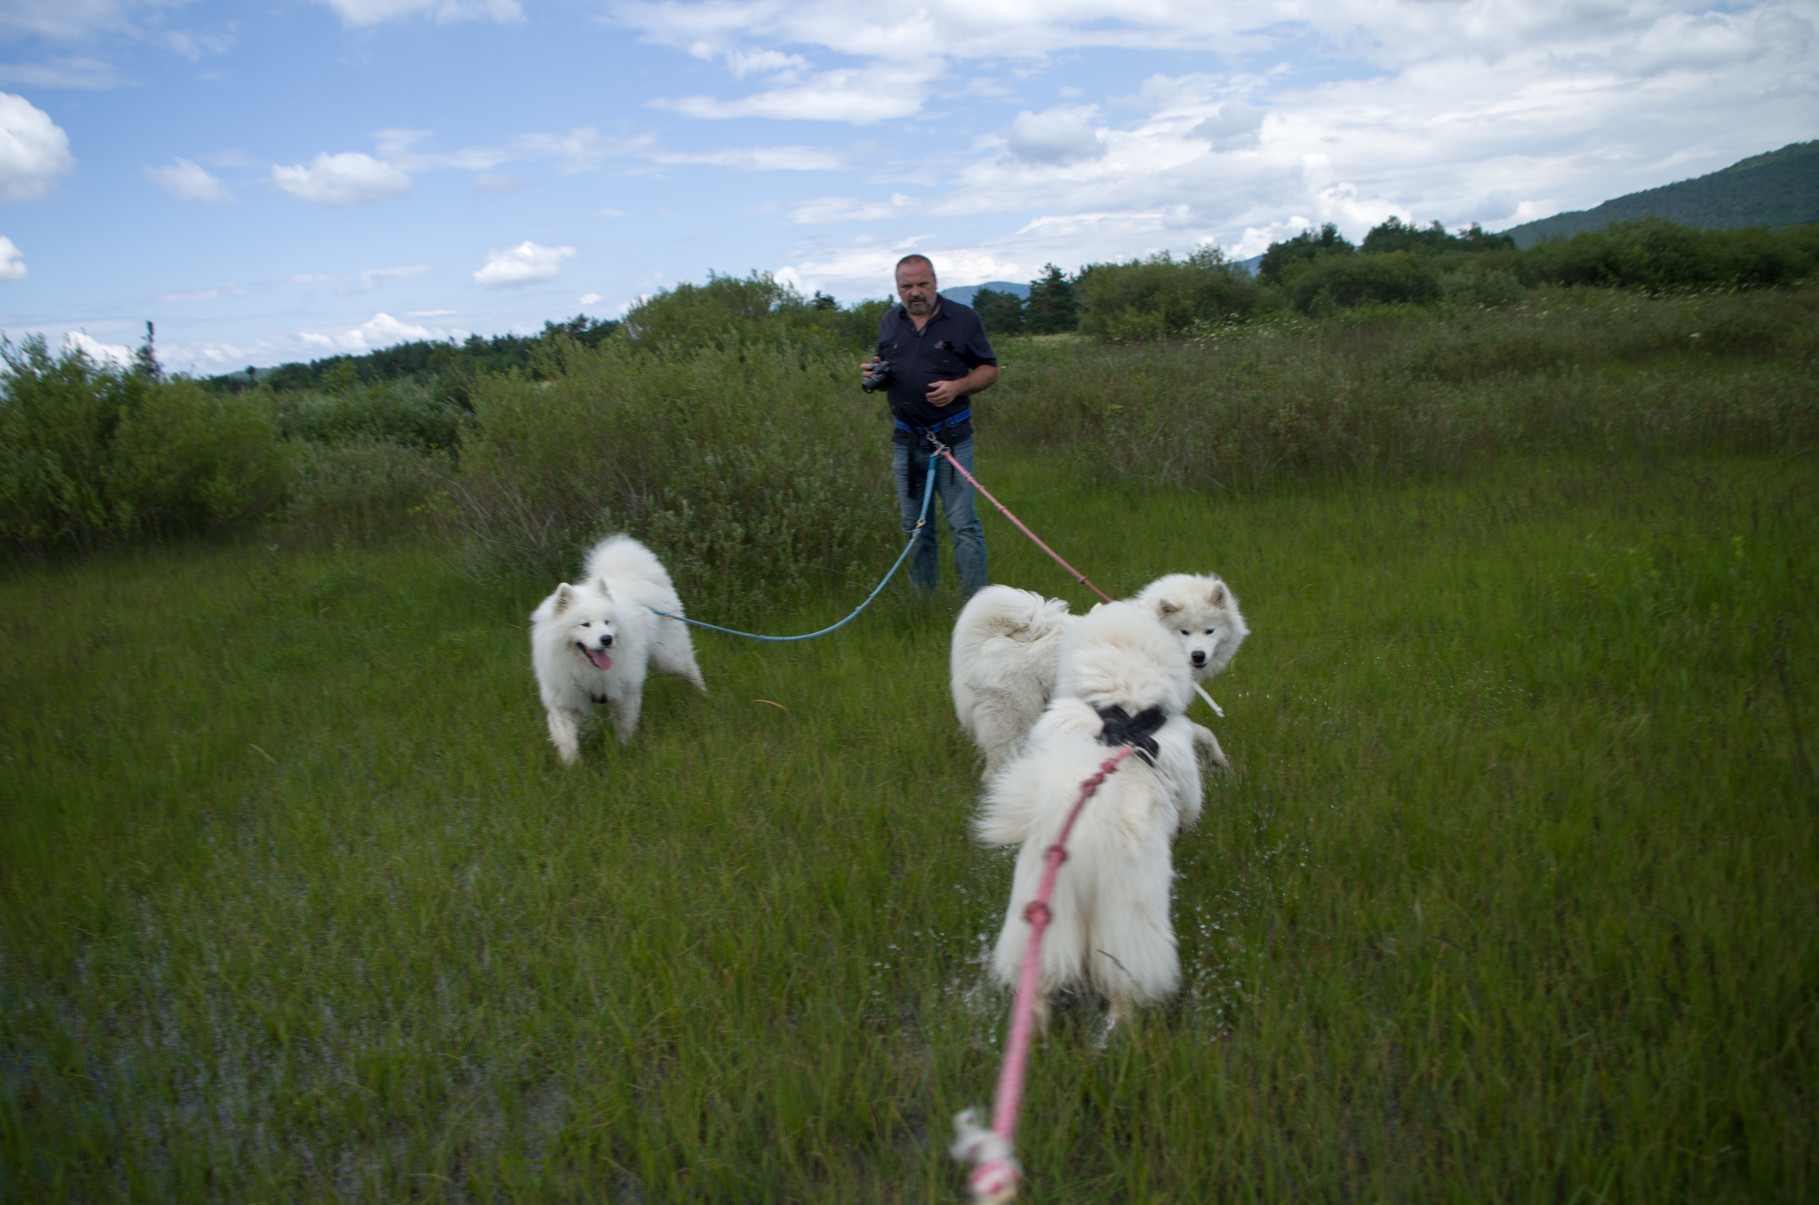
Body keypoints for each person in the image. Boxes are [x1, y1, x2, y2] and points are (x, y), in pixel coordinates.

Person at [862, 254, 999, 597]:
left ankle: (975, 606)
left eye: (922, 284)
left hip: (951, 439)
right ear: (898, 288)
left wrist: (958, 386)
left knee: (963, 525)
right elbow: (888, 363)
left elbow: (989, 369)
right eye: (907, 286)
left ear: (935, 282)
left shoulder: (964, 319)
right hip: (906, 441)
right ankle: (925, 601)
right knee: (915, 527)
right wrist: (876, 375)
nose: (916, 292)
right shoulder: (890, 322)